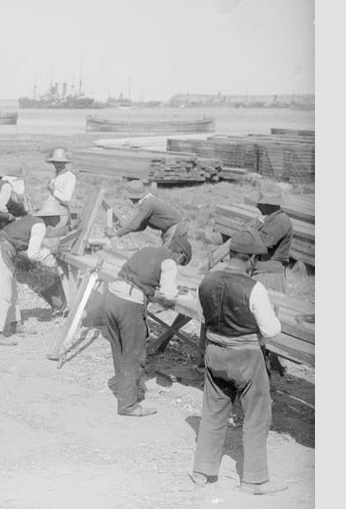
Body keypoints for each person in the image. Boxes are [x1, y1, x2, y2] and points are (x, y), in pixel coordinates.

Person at [190, 229, 287, 496]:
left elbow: (200, 315)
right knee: (256, 417)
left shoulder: (207, 280)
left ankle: (203, 470)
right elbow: (270, 331)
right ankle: (254, 481)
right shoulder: (254, 288)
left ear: (232, 254)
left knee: (212, 412)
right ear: (252, 260)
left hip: (215, 353)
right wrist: (272, 316)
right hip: (246, 358)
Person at [104, 237, 193, 417]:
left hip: (112, 297)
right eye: (182, 262)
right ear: (181, 254)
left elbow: (140, 280)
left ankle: (123, 388)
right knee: (134, 354)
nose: (179, 264)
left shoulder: (148, 251)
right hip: (129, 303)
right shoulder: (169, 261)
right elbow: (168, 295)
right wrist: (179, 295)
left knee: (119, 349)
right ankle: (128, 405)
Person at [0, 198, 68, 346]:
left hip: (3, 249)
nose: (59, 219)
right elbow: (33, 254)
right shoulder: (39, 225)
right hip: (2, 251)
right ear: (49, 216)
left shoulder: (34, 220)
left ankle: (15, 324)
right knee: (3, 293)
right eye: (57, 216)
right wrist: (50, 252)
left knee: (12, 292)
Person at [106, 180, 188, 246]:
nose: (130, 200)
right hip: (170, 229)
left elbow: (134, 225)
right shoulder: (146, 202)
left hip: (175, 229)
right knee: (164, 257)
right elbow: (142, 226)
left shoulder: (147, 204)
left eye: (130, 197)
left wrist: (116, 234)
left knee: (166, 257)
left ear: (134, 196)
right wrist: (122, 229)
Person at [252, 184, 293, 293]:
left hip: (269, 276)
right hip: (262, 271)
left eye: (260, 203)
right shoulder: (270, 219)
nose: (257, 206)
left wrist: (251, 230)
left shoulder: (281, 221)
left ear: (270, 204)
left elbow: (260, 244)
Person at [45, 148, 76, 230]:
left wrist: (53, 191)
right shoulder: (56, 176)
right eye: (55, 162)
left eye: (59, 162)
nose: (56, 165)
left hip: (60, 213)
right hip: (51, 211)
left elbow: (66, 199)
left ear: (64, 163)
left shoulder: (69, 177)